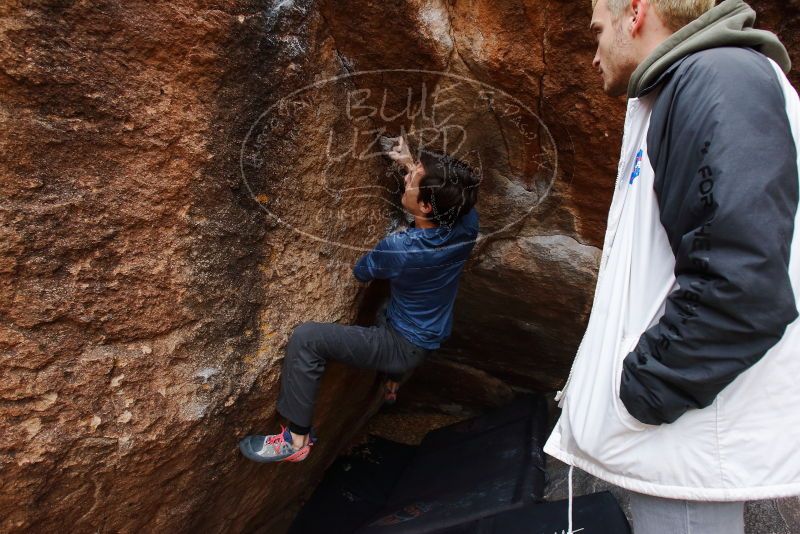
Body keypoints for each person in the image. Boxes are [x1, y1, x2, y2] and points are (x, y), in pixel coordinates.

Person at [544, 0, 800, 533]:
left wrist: (639, 395)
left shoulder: (717, 77)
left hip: (687, 437)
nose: (592, 54)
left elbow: (741, 283)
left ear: (634, 12)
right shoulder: (692, 83)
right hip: (687, 435)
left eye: (597, 31)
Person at [239, 139, 480, 463]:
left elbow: (362, 271)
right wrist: (410, 164)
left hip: (400, 343)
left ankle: (296, 441)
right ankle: (392, 384)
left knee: (307, 339)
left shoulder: (401, 249)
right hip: (432, 331)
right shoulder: (466, 221)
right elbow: (445, 199)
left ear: (425, 206)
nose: (407, 178)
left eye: (413, 178)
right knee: (389, 311)